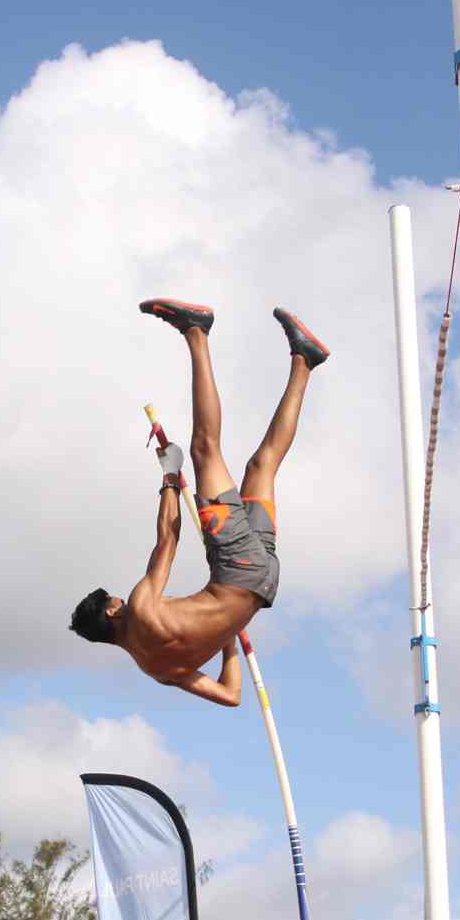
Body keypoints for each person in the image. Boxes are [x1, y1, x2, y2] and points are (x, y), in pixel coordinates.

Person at [69, 301, 328, 704]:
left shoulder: (158, 671)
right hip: (235, 564)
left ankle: (304, 362)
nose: (121, 598)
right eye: (114, 599)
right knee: (204, 449)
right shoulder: (140, 609)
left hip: (262, 584)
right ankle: (196, 333)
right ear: (111, 613)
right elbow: (167, 541)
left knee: (262, 466)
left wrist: (226, 636)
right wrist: (170, 477)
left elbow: (230, 695)